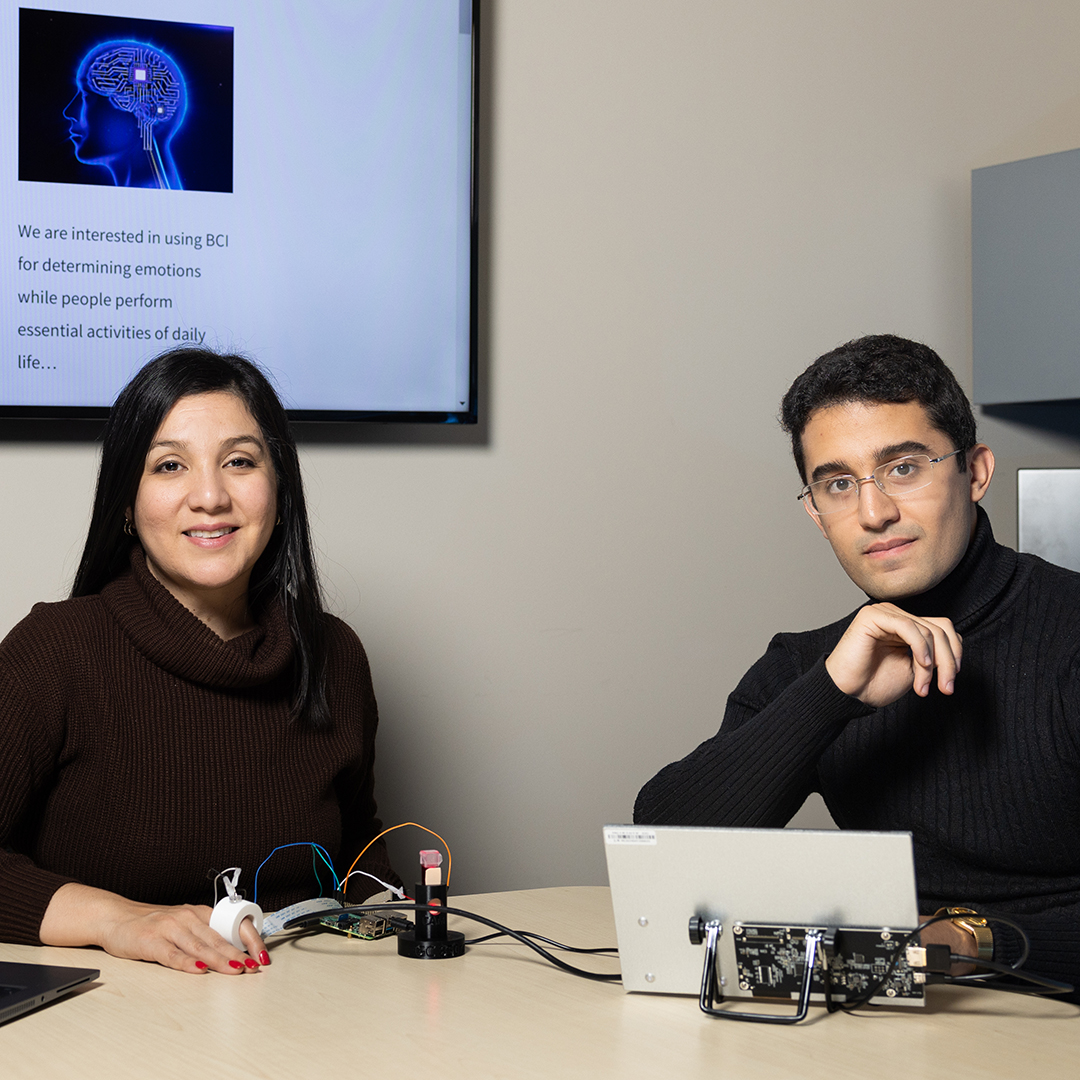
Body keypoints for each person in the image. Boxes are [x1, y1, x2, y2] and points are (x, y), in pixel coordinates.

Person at [634, 335, 1080, 997]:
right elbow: (663, 853)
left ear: (976, 471)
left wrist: (966, 940)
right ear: (817, 514)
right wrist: (830, 696)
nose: (874, 513)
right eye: (839, 484)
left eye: (904, 468)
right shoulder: (811, 666)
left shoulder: (1069, 636)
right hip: (886, 1016)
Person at [0, 348, 398, 974]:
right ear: (126, 504)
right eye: (169, 466)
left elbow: (355, 853)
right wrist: (118, 920)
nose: (210, 496)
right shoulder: (54, 651)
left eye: (239, 461)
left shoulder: (336, 655)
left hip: (315, 1019)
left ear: (279, 485)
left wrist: (409, 918)